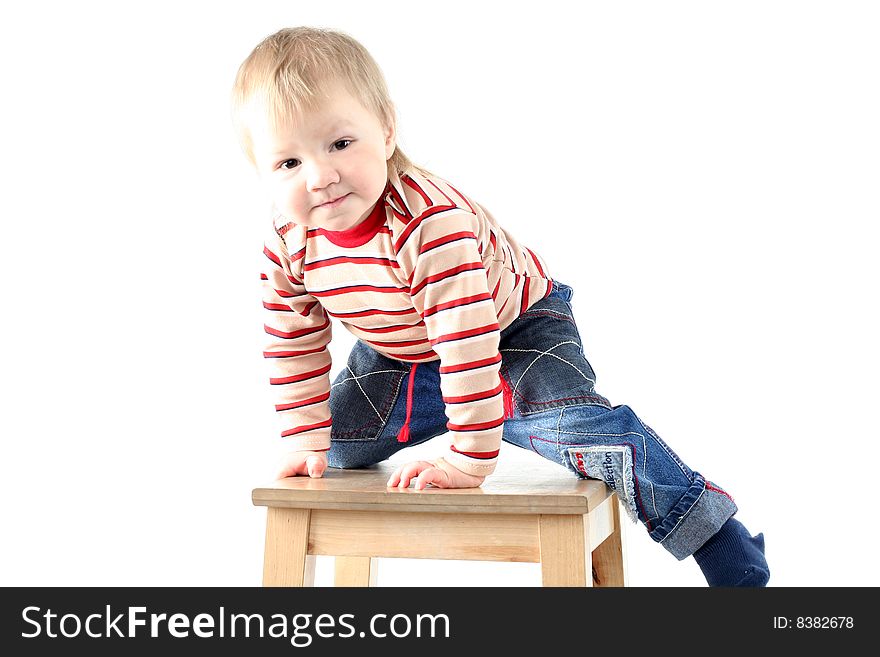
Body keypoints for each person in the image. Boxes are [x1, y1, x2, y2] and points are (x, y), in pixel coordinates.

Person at [231, 26, 769, 586]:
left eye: (340, 144)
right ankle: (470, 411)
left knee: (576, 432)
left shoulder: (427, 225)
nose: (321, 177)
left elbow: (467, 345)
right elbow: (292, 342)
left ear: (386, 129)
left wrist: (468, 458)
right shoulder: (289, 239)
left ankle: (719, 538)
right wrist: (304, 437)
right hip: (402, 350)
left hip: (512, 330)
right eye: (288, 163)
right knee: (335, 447)